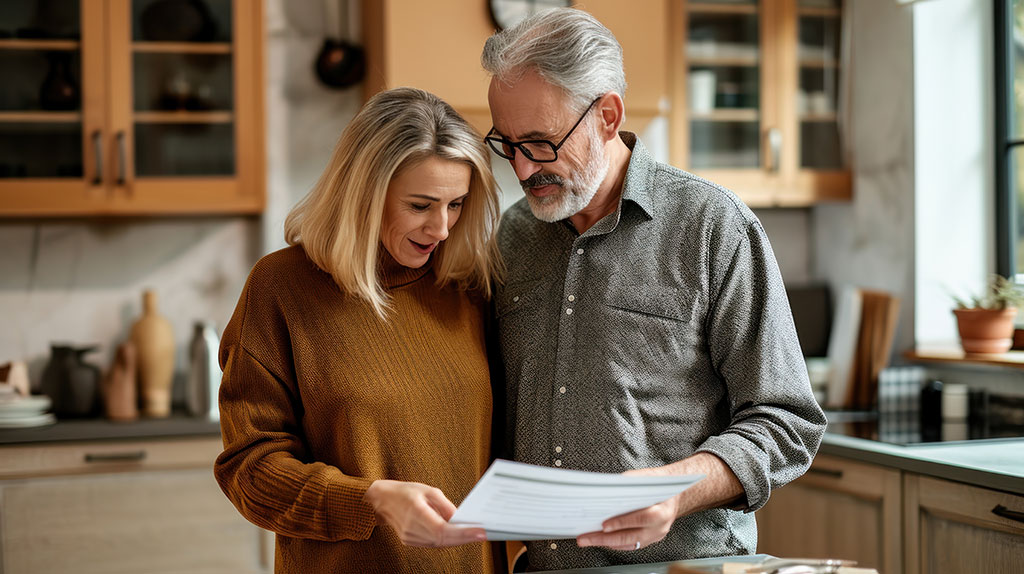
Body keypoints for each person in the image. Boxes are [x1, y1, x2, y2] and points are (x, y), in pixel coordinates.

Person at [481, 9, 827, 570]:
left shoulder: (713, 226)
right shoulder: (511, 239)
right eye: (508, 144)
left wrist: (680, 486)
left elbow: (788, 420)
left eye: (541, 143)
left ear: (608, 116)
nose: (522, 169)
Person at [214, 87, 504, 574]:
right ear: (364, 193)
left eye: (456, 204)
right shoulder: (281, 288)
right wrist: (367, 499)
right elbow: (249, 471)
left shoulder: (466, 287)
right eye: (420, 206)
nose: (442, 228)